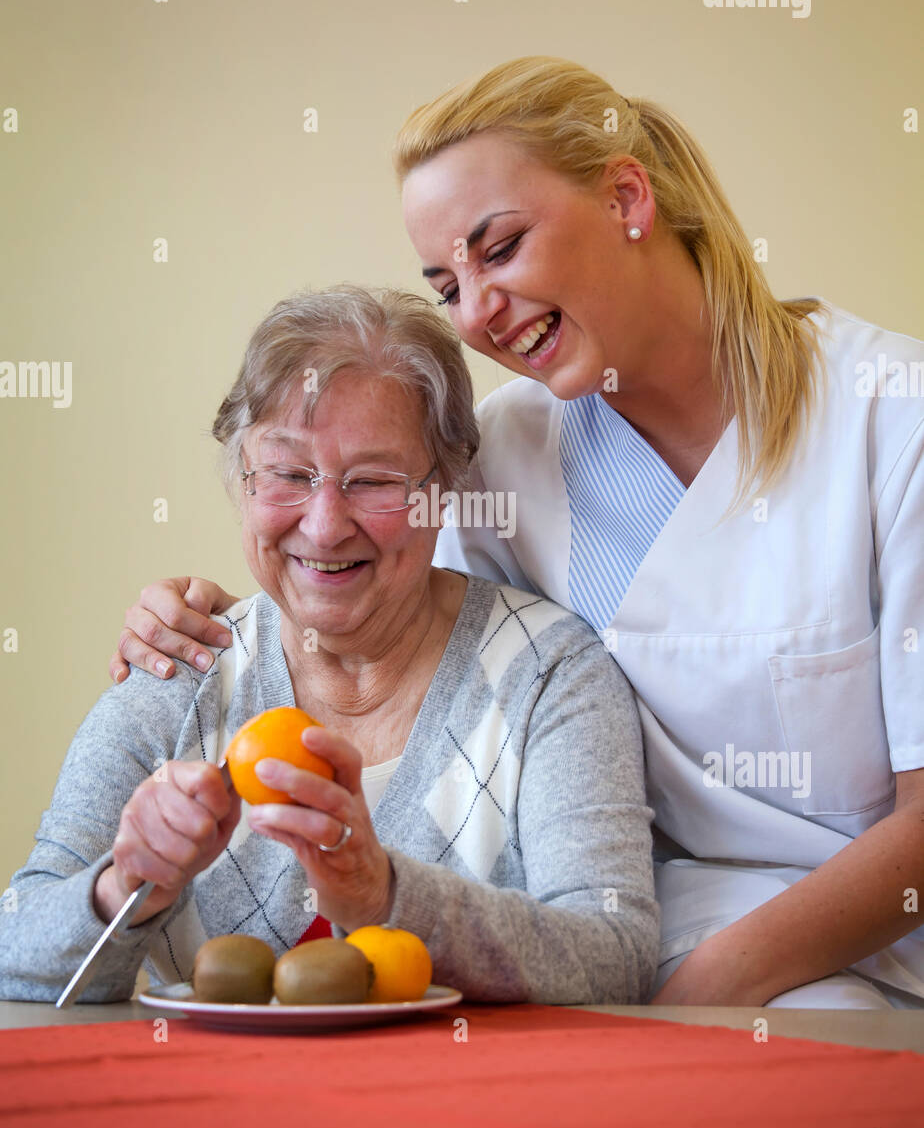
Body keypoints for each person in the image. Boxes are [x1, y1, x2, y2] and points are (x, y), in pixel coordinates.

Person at [107, 57, 924, 1010]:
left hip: (851, 957)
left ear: (627, 196)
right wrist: (200, 620)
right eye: (446, 285)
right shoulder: (506, 451)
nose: (477, 313)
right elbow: (391, 635)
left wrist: (687, 1003)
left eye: (498, 250)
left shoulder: (889, 422)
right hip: (619, 940)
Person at [0, 285, 660, 1006]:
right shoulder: (177, 671)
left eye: (372, 481)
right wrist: (125, 885)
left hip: (465, 1113)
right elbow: (15, 953)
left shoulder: (549, 674)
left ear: (442, 491)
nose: (323, 525)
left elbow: (614, 957)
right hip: (208, 1113)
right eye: (288, 475)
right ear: (240, 481)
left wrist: (386, 894)